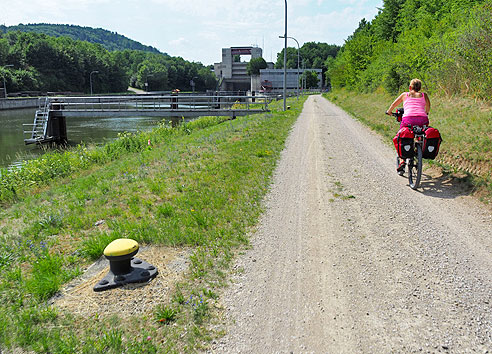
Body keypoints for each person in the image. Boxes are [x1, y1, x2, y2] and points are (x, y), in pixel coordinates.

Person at [386, 78, 431, 172]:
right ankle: (419, 149)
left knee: (400, 137)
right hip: (423, 120)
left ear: (410, 87)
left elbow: (394, 104)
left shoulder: (404, 95)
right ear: (420, 87)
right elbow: (428, 107)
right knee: (421, 132)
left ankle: (402, 160)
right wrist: (425, 113)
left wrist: (389, 112)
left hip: (408, 120)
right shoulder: (424, 95)